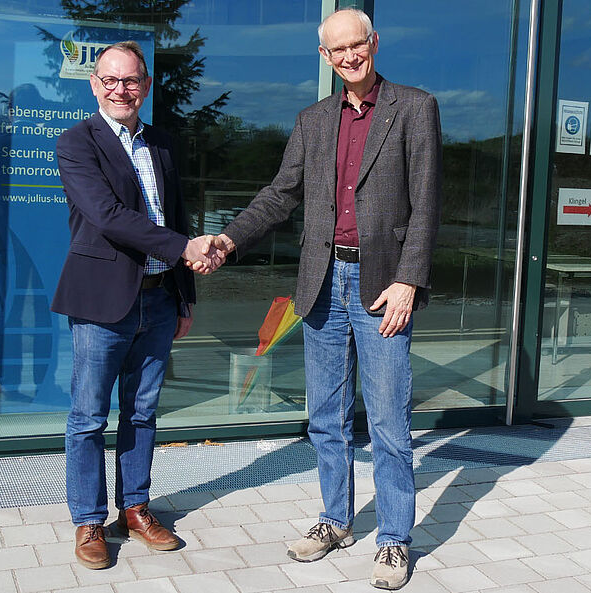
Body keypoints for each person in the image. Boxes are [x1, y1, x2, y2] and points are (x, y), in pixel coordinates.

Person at [209, 8, 441, 590]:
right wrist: (229, 238)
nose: (348, 57)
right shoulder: (313, 120)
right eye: (336, 51)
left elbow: (427, 204)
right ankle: (335, 520)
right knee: (325, 419)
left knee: (388, 421)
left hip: (382, 286)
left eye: (355, 45)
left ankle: (393, 539)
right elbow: (280, 194)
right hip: (322, 284)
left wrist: (408, 281)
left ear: (374, 43)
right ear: (326, 57)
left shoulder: (414, 107)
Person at [51, 40, 222, 570]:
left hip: (159, 299)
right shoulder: (76, 143)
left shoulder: (163, 143)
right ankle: (87, 520)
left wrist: (185, 293)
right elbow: (106, 215)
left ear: (146, 85)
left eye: (131, 81)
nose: (121, 90)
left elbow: (178, 218)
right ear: (94, 85)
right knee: (87, 417)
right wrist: (182, 249)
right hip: (103, 301)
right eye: (110, 80)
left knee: (143, 411)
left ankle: (135, 508)